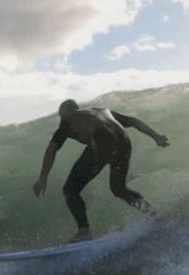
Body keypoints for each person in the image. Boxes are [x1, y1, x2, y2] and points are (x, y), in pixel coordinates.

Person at [32, 99, 169, 241]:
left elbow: (52, 149)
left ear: (64, 113)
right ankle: (152, 214)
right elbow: (133, 122)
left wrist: (43, 177)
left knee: (70, 189)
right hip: (123, 141)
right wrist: (156, 137)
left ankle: (84, 231)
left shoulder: (68, 119)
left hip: (103, 140)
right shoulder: (103, 111)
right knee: (118, 189)